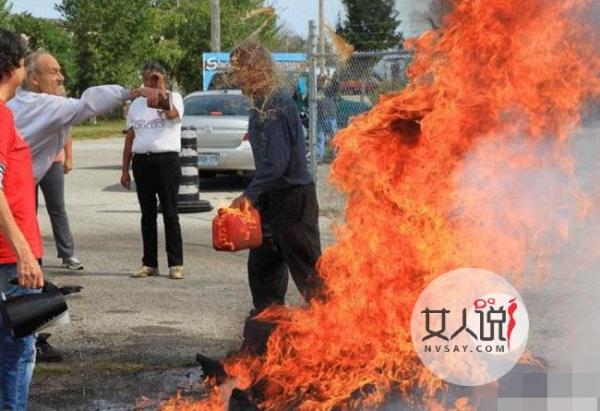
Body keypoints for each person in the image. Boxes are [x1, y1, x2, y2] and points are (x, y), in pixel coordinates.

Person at [8, 50, 147, 364]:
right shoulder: (38, 103)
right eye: (54, 72)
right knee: (23, 274)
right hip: (10, 202)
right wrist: (131, 92)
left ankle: (27, 335)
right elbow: (87, 104)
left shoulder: (21, 106)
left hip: (17, 195)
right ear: (32, 78)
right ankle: (24, 340)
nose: (61, 78)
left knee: (24, 273)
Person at [229, 41, 324, 315]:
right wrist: (258, 198)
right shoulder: (260, 104)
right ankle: (265, 337)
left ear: (255, 70)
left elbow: (276, 162)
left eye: (239, 71)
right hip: (271, 200)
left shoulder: (277, 104)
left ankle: (337, 332)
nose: (236, 78)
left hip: (293, 200)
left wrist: (249, 194)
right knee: (263, 269)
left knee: (309, 273)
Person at [0, 28, 45, 411]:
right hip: (8, 261)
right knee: (17, 354)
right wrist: (24, 252)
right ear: (12, 66)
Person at [120, 61, 185, 280]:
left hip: (166, 160)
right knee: (147, 215)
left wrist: (161, 90)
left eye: (155, 78)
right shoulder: (137, 105)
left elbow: (173, 115)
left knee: (169, 212)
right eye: (147, 79)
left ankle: (175, 263)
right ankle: (149, 263)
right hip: (142, 161)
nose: (150, 82)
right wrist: (125, 169)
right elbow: (130, 136)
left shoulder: (173, 98)